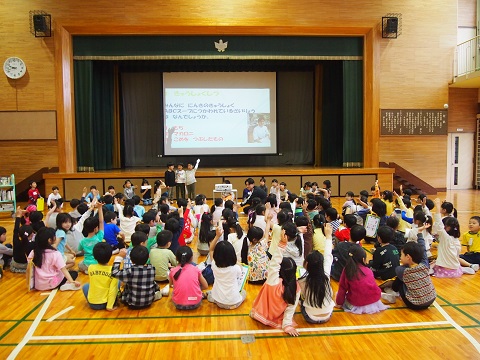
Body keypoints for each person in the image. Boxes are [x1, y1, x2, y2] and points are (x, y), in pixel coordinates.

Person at [250, 220, 301, 336]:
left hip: (261, 314)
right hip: (278, 317)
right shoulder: (296, 287)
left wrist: (282, 245)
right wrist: (287, 325)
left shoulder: (273, 281)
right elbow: (290, 309)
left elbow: (274, 263)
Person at [389, 230, 437, 310]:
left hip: (415, 305)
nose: (400, 257)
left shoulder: (402, 271)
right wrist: (420, 235)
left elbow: (398, 270)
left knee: (400, 281)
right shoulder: (425, 265)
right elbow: (423, 249)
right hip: (431, 300)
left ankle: (393, 292)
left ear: (408, 257)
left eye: (402, 255)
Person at [335, 245, 389, 314]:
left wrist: (339, 303)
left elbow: (342, 288)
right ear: (363, 259)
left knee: (338, 294)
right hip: (374, 302)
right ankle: (382, 294)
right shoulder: (368, 270)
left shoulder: (347, 270)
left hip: (357, 304)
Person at [298, 224, 334, 323]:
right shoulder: (326, 274)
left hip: (310, 317)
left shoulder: (302, 279)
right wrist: (328, 236)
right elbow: (328, 255)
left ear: (307, 264)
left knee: (300, 299)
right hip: (327, 315)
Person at [28, 227, 81, 291]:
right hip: (53, 283)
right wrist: (72, 282)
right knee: (73, 273)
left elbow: (29, 264)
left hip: (39, 285)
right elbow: (63, 269)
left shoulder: (34, 252)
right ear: (50, 240)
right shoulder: (55, 254)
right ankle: (66, 284)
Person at [207, 227, 247, 309]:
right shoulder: (236, 268)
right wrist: (236, 261)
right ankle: (231, 306)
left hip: (218, 301)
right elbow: (240, 269)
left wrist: (217, 236)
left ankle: (210, 296)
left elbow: (211, 250)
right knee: (243, 292)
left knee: (212, 293)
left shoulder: (214, 264)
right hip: (234, 302)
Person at [82, 242, 119, 311]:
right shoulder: (113, 271)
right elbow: (112, 290)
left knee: (86, 286)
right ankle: (113, 302)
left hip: (92, 304)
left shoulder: (90, 267)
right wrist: (109, 306)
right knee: (117, 282)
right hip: (105, 303)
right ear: (110, 255)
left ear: (94, 256)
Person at [431, 198, 462, 277]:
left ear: (448, 227)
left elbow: (438, 223)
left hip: (445, 270)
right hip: (456, 268)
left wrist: (437, 207)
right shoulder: (456, 241)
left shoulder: (445, 238)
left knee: (429, 267)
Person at [78, 202, 104, 274]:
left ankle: (88, 270)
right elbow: (101, 222)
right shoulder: (99, 237)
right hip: (96, 263)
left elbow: (79, 250)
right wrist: (100, 208)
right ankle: (92, 270)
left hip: (86, 263)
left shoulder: (82, 241)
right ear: (96, 228)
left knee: (79, 264)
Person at [10, 207, 35, 273]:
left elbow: (15, 230)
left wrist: (18, 216)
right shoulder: (33, 244)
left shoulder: (16, 241)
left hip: (16, 265)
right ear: (31, 235)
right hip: (26, 266)